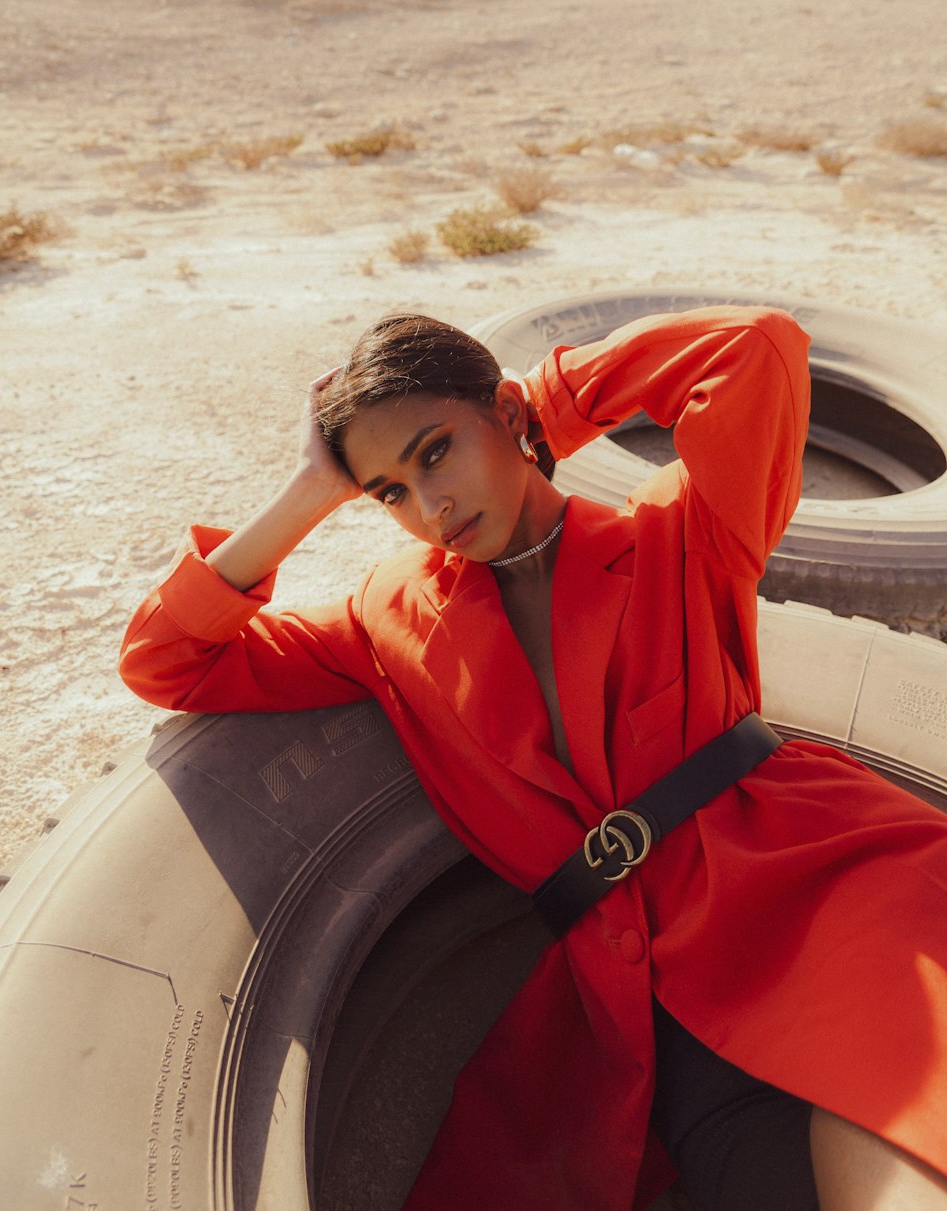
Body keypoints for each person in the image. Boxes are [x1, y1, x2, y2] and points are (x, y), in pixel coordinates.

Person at [120, 305, 947, 1211]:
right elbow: (167, 659)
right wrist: (313, 490)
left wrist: (546, 400)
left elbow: (755, 349)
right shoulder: (386, 618)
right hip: (641, 998)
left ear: (508, 418)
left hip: (812, 892)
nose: (429, 507)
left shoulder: (684, 531)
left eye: (436, 450)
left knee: (897, 1130)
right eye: (389, 491)